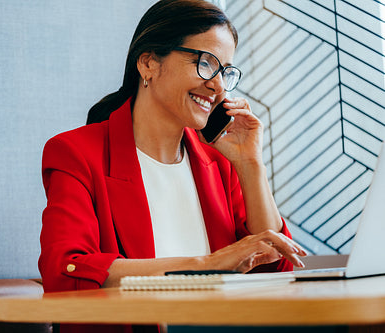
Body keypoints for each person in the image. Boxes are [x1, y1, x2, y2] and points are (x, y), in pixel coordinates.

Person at [39, 0, 307, 332]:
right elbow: (66, 272)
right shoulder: (76, 153)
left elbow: (277, 270)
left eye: (225, 71)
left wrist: (251, 165)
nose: (218, 86)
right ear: (149, 63)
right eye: (206, 63)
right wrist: (207, 265)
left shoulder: (220, 162)